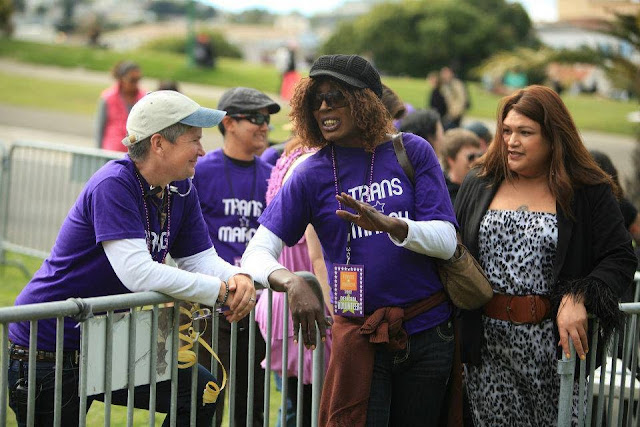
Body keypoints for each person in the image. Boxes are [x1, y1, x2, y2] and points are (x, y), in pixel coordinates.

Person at [7, 90, 257, 426]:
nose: (202, 150)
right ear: (159, 144)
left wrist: (237, 277)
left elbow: (200, 259)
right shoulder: (114, 184)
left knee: (199, 392)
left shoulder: (180, 188)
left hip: (108, 343)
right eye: (193, 141)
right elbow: (137, 273)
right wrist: (219, 291)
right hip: (51, 348)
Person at [242, 54, 458, 426]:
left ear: (365, 102)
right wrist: (291, 282)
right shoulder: (309, 174)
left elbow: (447, 241)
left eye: (336, 96)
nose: (324, 106)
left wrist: (392, 225)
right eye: (316, 98)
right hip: (360, 339)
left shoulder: (411, 151)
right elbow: (257, 253)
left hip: (427, 332)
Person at [455, 85, 637, 426]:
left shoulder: (587, 189)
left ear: (554, 137)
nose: (511, 141)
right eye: (506, 131)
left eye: (525, 133)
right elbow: (455, 252)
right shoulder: (479, 182)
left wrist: (579, 294)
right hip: (487, 349)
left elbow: (620, 257)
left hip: (556, 350)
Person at [192, 86, 280, 427]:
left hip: (256, 306)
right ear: (228, 122)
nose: (264, 126)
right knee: (206, 398)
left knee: (253, 403)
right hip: (212, 305)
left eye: (267, 119)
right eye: (255, 118)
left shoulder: (272, 176)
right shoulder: (201, 170)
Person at [254, 136, 333, 427]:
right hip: (305, 304)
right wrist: (336, 312)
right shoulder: (312, 167)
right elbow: (317, 258)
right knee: (307, 409)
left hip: (284, 303)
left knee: (293, 405)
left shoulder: (290, 157)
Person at [95, 60, 146, 152]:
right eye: (132, 80)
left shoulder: (144, 99)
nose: (136, 84)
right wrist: (98, 152)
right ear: (122, 79)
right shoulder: (108, 98)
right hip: (110, 153)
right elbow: (100, 128)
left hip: (134, 154)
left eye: (138, 80)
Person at [442, 128, 483, 205]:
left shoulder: (482, 190)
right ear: (451, 160)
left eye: (480, 156)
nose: (477, 161)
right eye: (471, 157)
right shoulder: (440, 195)